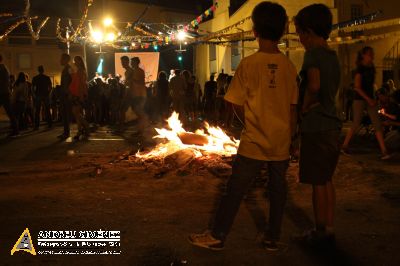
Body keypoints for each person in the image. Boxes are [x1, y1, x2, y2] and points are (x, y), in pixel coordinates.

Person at [189, 2, 298, 251]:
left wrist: (250, 119)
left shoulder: (248, 65)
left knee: (235, 190)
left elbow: (233, 103)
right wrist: (291, 139)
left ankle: (218, 235)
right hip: (281, 141)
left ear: (254, 30)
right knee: (278, 190)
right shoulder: (289, 67)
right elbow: (293, 109)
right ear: (283, 30)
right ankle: (272, 236)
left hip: (253, 141)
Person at [294, 3, 342, 246]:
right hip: (333, 125)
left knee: (317, 182)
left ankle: (319, 229)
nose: (300, 39)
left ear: (309, 31)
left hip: (316, 126)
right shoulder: (333, 56)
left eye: (300, 33)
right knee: (327, 180)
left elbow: (313, 85)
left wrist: (304, 107)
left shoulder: (312, 54)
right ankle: (329, 227)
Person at [342, 47, 390, 159]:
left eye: (372, 54)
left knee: (377, 123)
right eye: (369, 54)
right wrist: (368, 99)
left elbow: (371, 85)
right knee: (356, 123)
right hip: (359, 99)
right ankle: (344, 146)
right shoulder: (360, 69)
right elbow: (357, 88)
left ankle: (384, 151)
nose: (372, 56)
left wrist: (374, 97)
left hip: (370, 99)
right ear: (363, 55)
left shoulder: (372, 68)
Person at [69, 56, 90, 140]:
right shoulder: (79, 71)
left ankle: (84, 128)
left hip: (78, 94)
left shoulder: (81, 71)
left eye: (76, 61)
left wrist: (81, 96)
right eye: (75, 61)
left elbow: (82, 84)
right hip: (78, 94)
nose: (75, 62)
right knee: (77, 113)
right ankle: (81, 129)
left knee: (76, 112)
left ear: (80, 62)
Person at [0, 54, 18, 136]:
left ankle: (15, 130)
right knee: (10, 112)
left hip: (2, 93)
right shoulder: (4, 68)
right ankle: (15, 129)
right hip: (4, 92)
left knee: (10, 112)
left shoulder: (1, 68)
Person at [130, 57, 149, 134]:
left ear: (136, 63)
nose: (131, 64)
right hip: (136, 94)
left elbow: (141, 82)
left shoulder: (140, 71)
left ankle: (142, 128)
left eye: (132, 62)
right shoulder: (134, 71)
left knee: (139, 111)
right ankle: (142, 127)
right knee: (137, 111)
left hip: (140, 94)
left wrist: (132, 79)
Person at [32, 65, 53, 130]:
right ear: (43, 70)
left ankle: (37, 125)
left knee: (37, 111)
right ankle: (50, 124)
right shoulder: (47, 78)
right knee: (47, 110)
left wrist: (34, 95)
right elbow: (50, 87)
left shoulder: (35, 78)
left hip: (38, 94)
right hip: (45, 95)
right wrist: (49, 93)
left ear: (38, 70)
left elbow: (32, 87)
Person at [58, 53, 72, 140]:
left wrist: (68, 92)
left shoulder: (68, 69)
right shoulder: (66, 69)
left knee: (66, 113)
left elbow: (69, 82)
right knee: (65, 113)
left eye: (62, 59)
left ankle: (66, 132)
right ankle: (65, 132)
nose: (60, 60)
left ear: (66, 60)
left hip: (66, 94)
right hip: (65, 94)